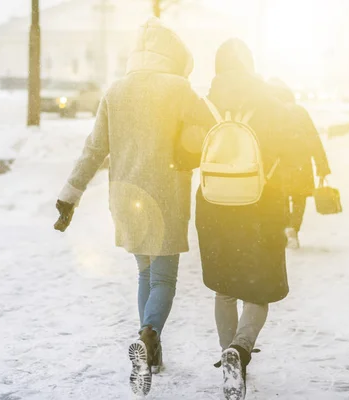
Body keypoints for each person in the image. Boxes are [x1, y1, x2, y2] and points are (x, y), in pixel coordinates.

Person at [54, 18, 210, 397]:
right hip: (165, 195)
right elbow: (212, 132)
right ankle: (149, 334)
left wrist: (69, 195)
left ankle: (150, 354)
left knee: (145, 276)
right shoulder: (180, 89)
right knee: (164, 280)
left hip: (125, 198)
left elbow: (94, 150)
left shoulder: (116, 91)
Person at [179, 38, 308, 400]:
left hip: (215, 207)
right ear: (250, 65)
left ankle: (227, 353)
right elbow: (293, 152)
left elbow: (184, 153)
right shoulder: (271, 104)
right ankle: (241, 348)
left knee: (224, 288)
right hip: (261, 207)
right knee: (258, 287)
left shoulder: (204, 106)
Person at [267, 78, 331, 249]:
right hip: (301, 163)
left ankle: (286, 227)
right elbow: (313, 138)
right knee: (298, 198)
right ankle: (293, 229)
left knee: (281, 198)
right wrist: (322, 165)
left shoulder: (271, 113)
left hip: (279, 164)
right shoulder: (299, 111)